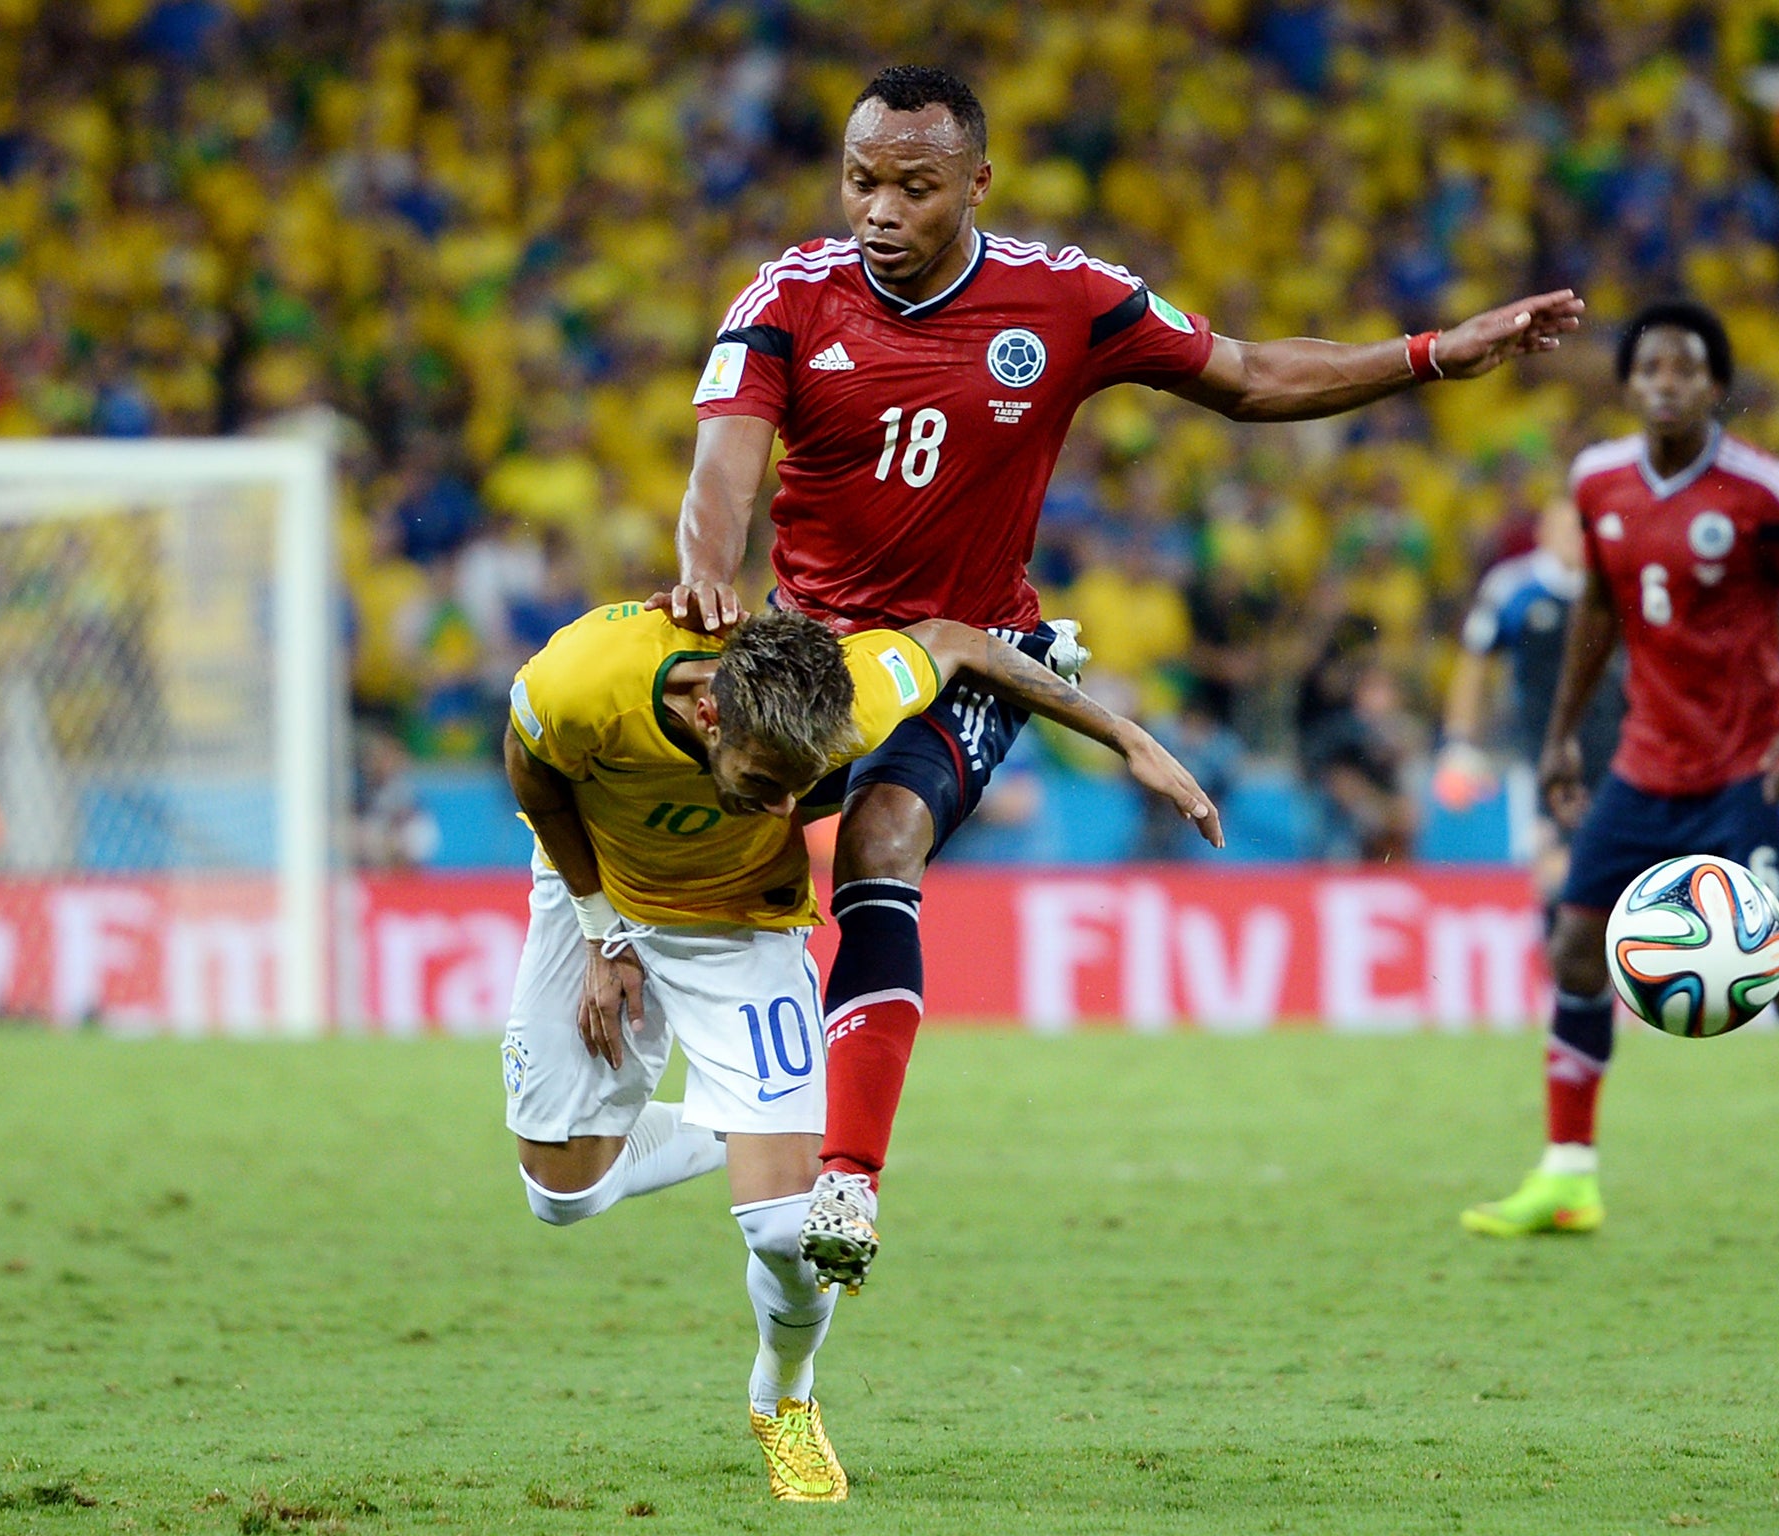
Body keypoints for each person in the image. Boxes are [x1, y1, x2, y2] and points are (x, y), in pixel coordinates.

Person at [662, 64, 1584, 1289]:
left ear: (975, 184)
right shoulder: (789, 298)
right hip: (812, 656)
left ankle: (850, 1181)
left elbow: (1250, 376)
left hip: (972, 657)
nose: (877, 209)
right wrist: (708, 573)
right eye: (860, 179)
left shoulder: (1063, 299)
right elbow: (718, 475)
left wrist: (1427, 354)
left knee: (884, 842)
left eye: (912, 187)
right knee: (711, 856)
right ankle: (633, 1035)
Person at [501, 600, 1220, 1503]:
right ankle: (748, 1127)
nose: (781, 808)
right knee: (562, 1195)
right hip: (595, 894)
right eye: (765, 783)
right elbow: (531, 768)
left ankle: (783, 1399)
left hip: (742, 929)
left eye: (801, 788)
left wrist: (1126, 738)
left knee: (788, 1232)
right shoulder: (586, 677)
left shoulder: (854, 692)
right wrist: (601, 930)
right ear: (712, 713)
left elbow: (959, 642)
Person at [1461, 301, 1779, 1244]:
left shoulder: (1765, 492)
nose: (1667, 382)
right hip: (1644, 762)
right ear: (1629, 386)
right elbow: (1599, 615)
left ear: (1714, 386)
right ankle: (1567, 1177)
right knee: (1578, 949)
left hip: (1754, 763)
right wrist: (1559, 738)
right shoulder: (1598, 483)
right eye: (1651, 369)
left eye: (1686, 369)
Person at [1435, 495, 1625, 909]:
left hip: (1615, 750)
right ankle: (1562, 972)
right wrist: (1459, 742)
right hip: (1541, 754)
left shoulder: (1616, 583)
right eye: (1564, 529)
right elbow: (1474, 666)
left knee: (1618, 870)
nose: (1574, 540)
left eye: (1581, 530)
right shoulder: (1513, 586)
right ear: (1541, 534)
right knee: (1553, 874)